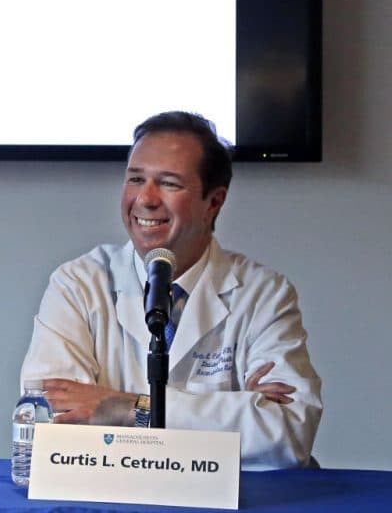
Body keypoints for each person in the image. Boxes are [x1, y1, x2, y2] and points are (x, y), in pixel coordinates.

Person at [20, 111, 322, 470]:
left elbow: (287, 432)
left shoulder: (263, 294)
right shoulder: (79, 283)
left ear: (214, 202)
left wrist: (124, 409)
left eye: (169, 183)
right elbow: (53, 420)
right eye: (135, 179)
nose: (145, 199)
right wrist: (235, 412)